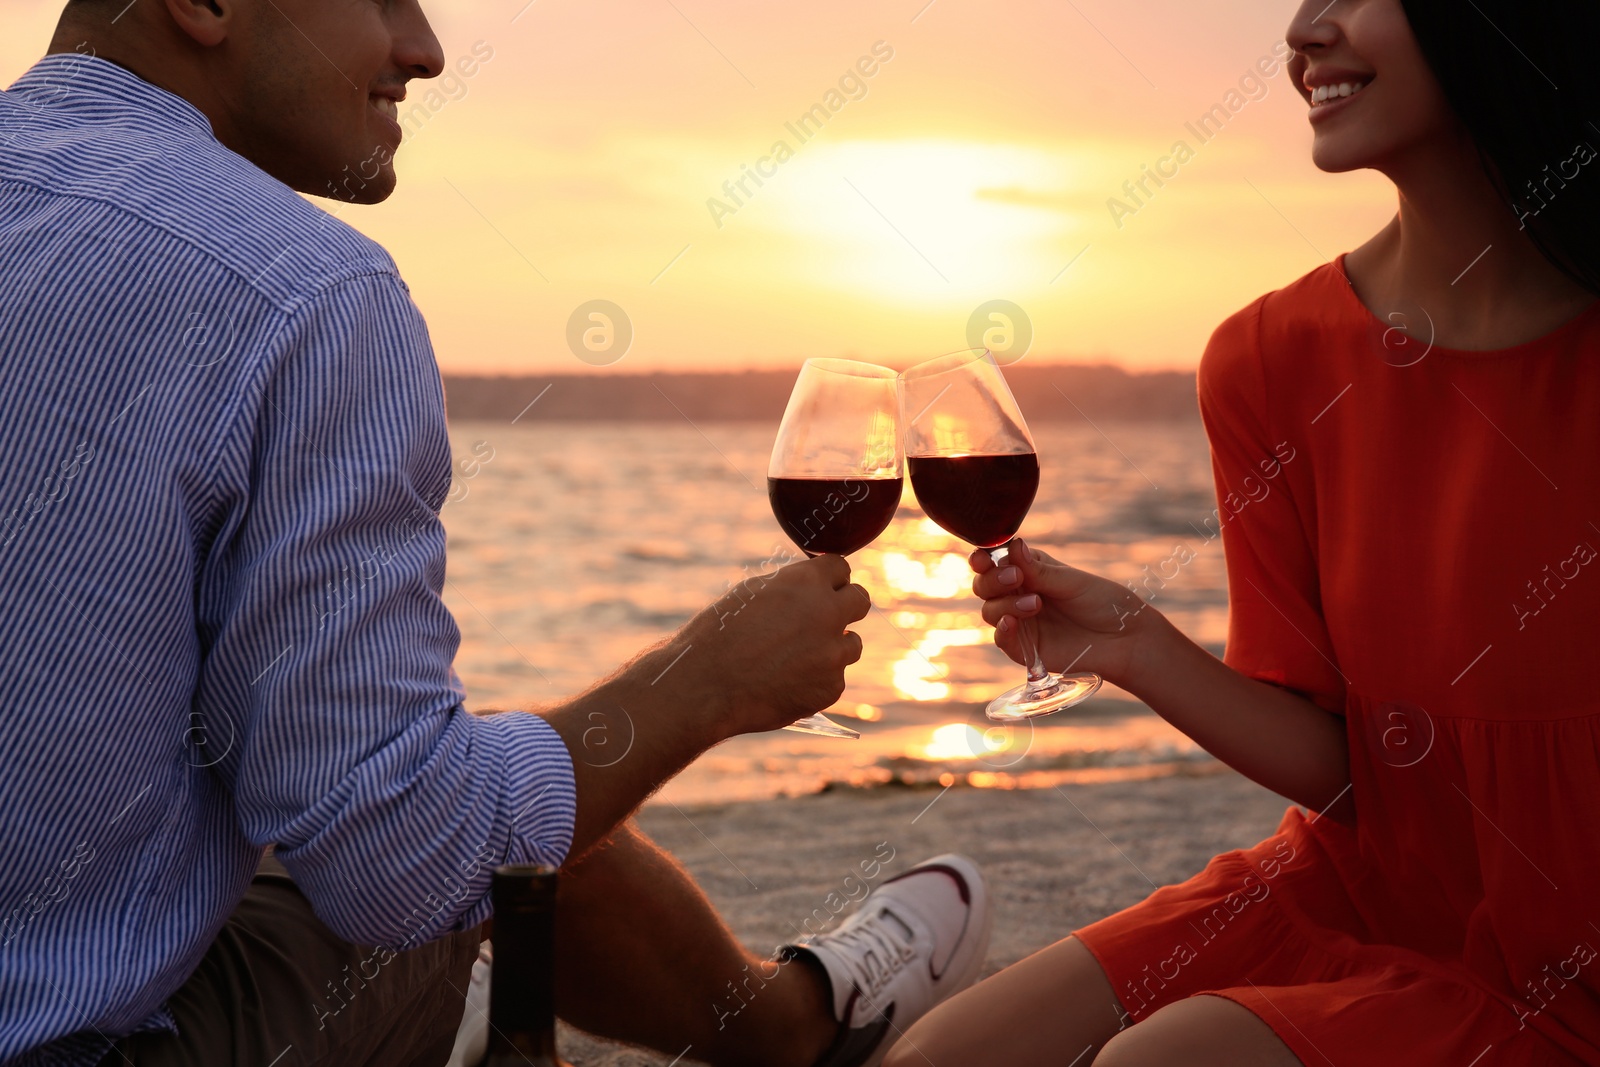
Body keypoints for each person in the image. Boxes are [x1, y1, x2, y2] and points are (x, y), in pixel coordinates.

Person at [0, 2, 992, 1065]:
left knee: (437, 768)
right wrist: (710, 678)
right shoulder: (302, 291)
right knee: (467, 815)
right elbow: (405, 855)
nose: (423, 49)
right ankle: (798, 1025)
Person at [886, 0, 1600, 1063]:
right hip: (1354, 890)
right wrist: (1135, 645)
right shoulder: (1268, 359)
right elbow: (1354, 776)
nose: (1304, 28)